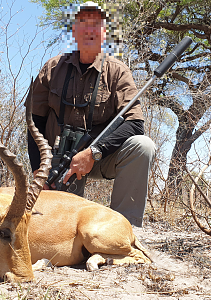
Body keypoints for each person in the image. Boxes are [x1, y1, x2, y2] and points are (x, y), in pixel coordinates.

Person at [27, 1, 156, 227]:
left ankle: (126, 229)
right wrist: (39, 169)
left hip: (97, 159)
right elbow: (34, 121)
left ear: (104, 32)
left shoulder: (118, 71)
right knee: (55, 226)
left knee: (142, 146)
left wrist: (93, 153)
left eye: (96, 25)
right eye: (83, 23)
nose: (89, 30)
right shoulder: (52, 68)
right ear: (74, 31)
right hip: (58, 165)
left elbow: (135, 124)